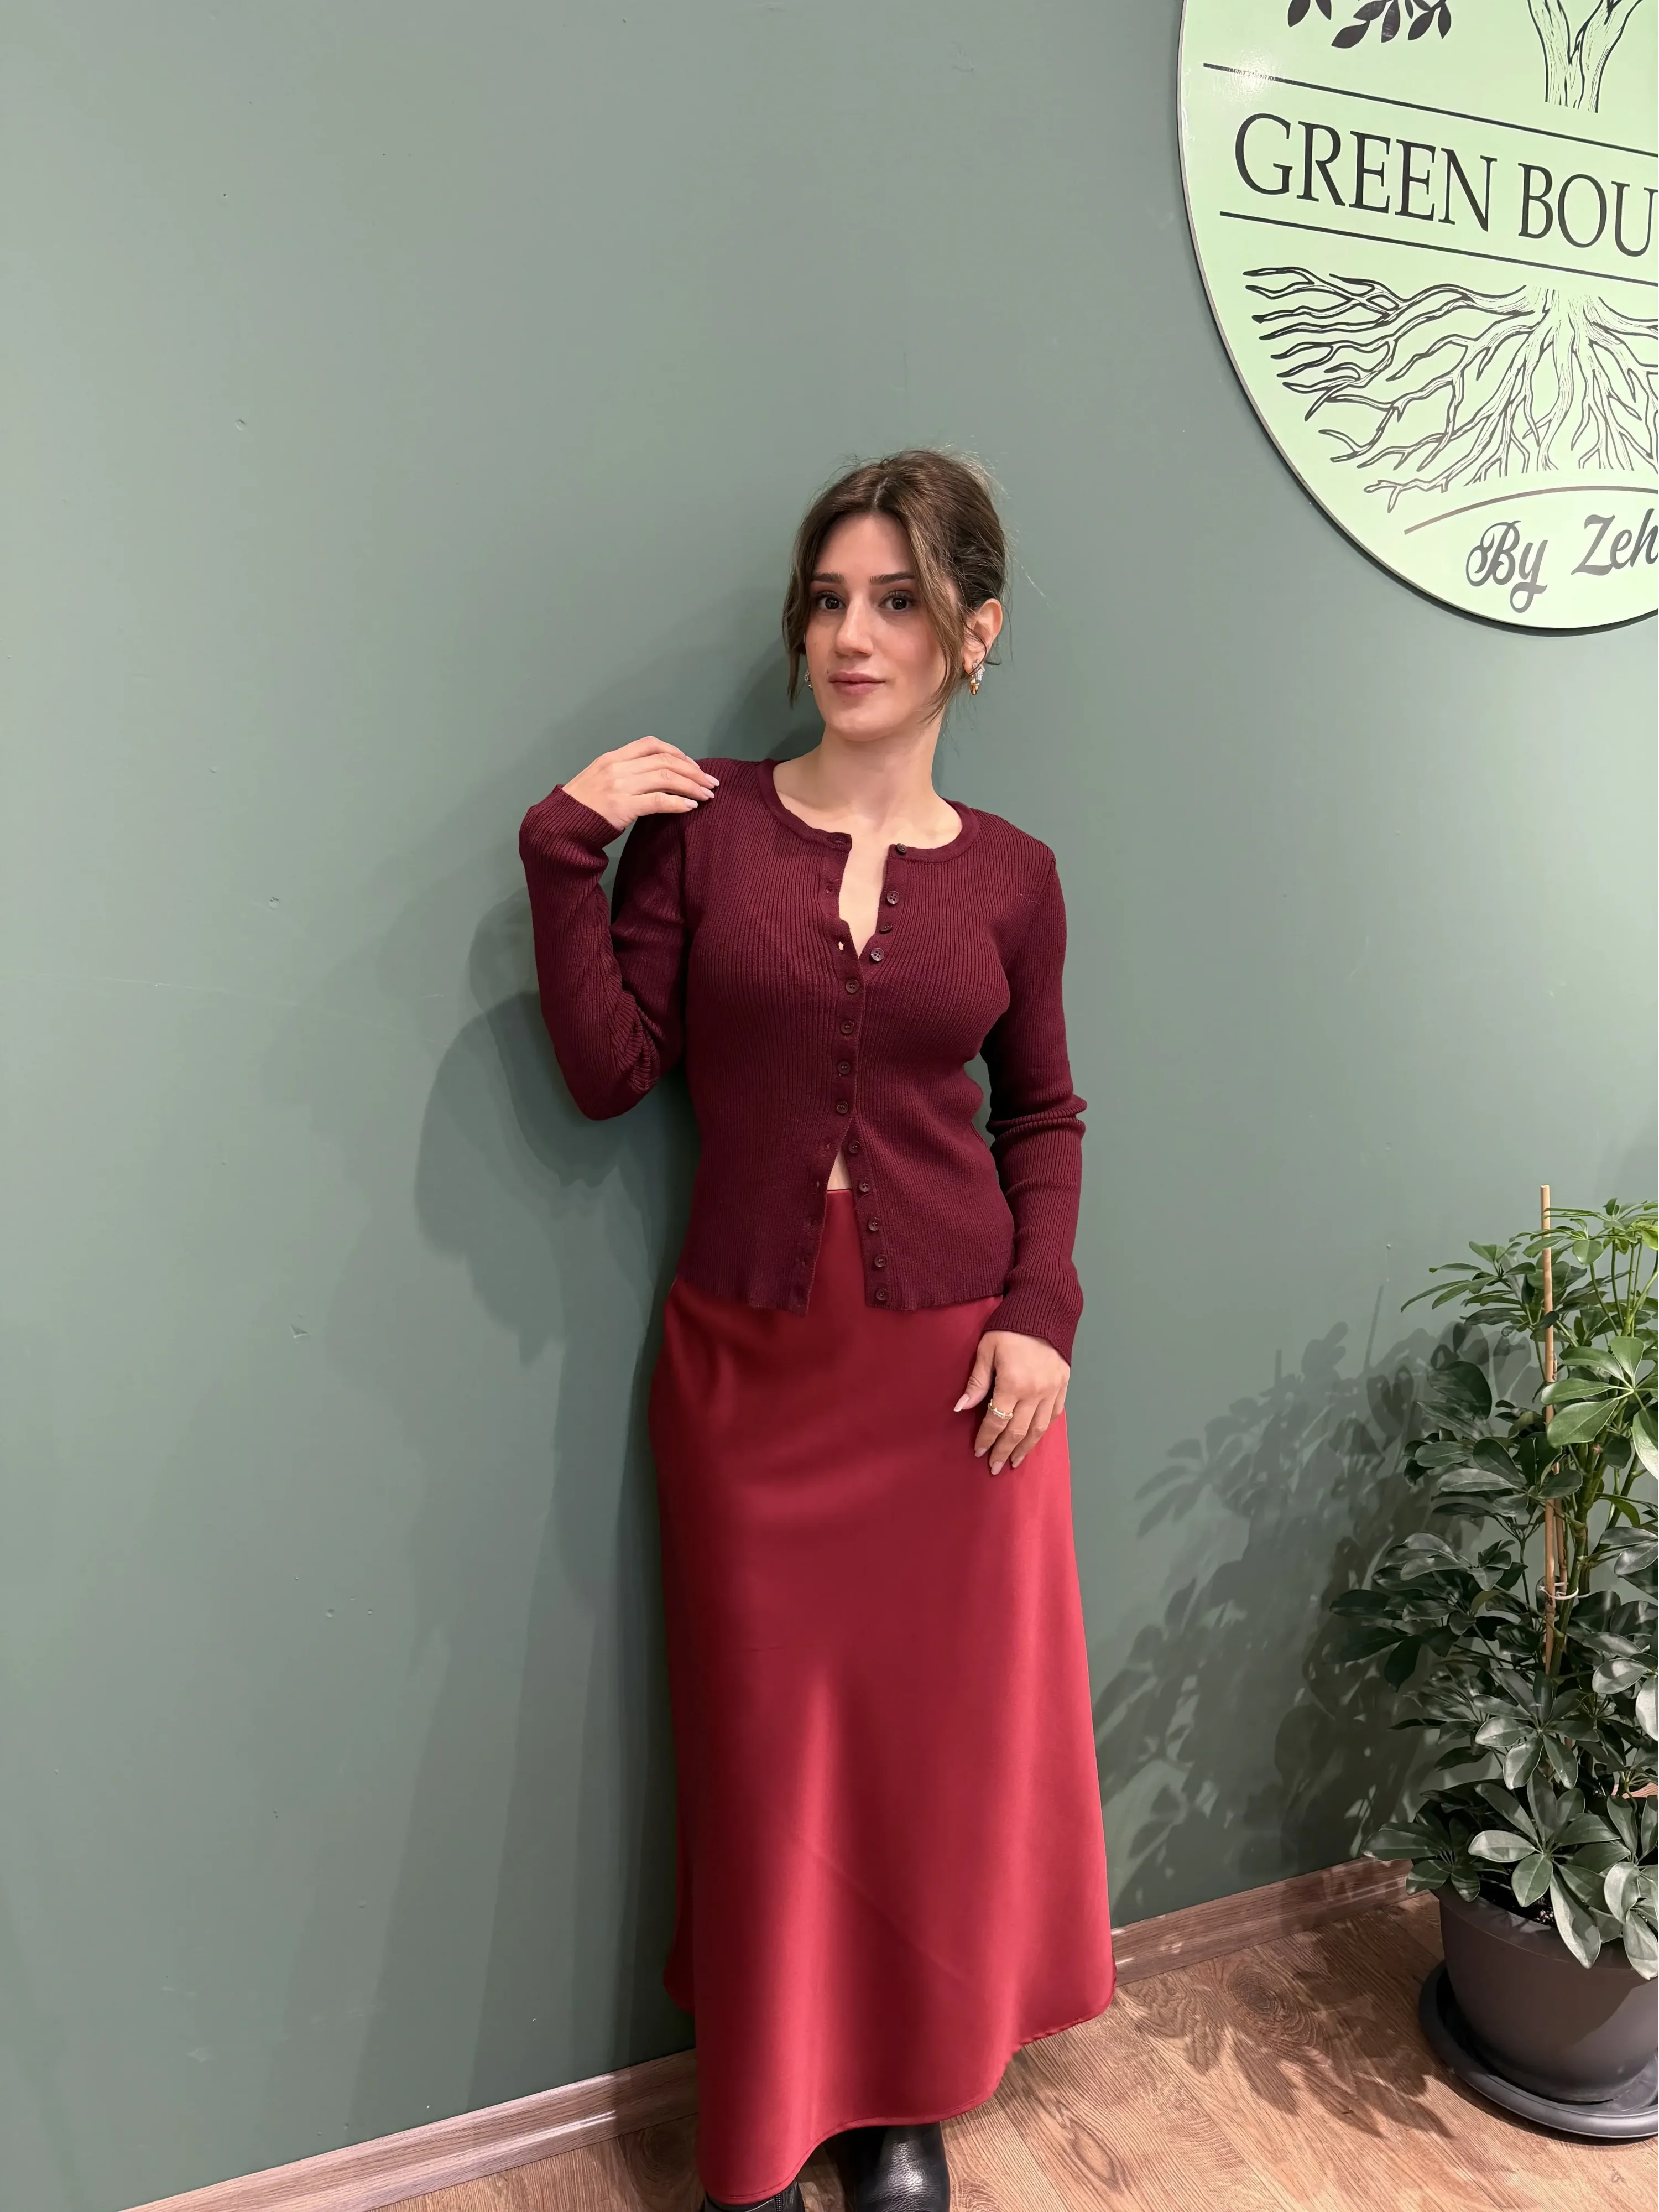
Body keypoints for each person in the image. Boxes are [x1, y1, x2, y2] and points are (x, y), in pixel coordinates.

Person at [519, 450, 1113, 2212]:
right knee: (767, 1756)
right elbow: (612, 1070)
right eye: (831, 599)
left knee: (928, 1762)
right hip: (752, 1374)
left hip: (952, 1388)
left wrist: (1043, 1312)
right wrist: (564, 849)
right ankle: (772, 2107)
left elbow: (1046, 1116)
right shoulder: (708, 831)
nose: (853, 635)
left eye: (898, 600)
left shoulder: (1014, 877)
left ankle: (902, 2099)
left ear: (973, 635)